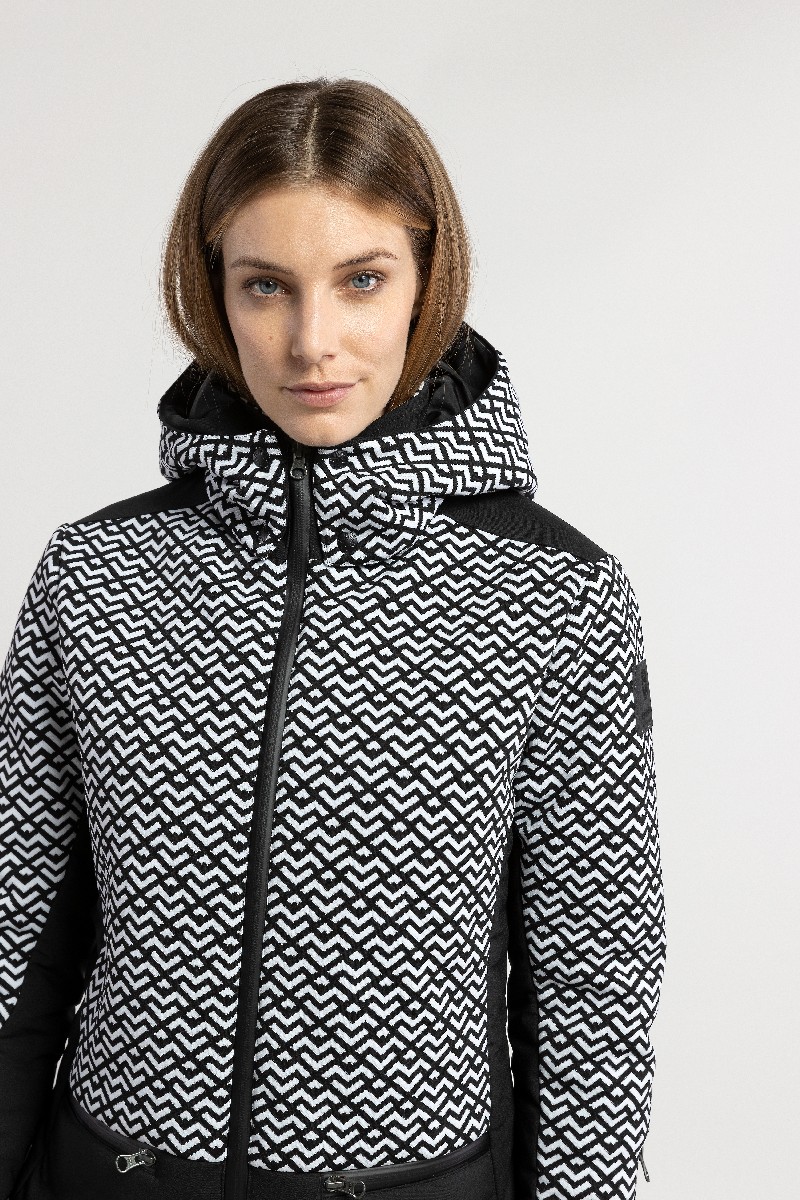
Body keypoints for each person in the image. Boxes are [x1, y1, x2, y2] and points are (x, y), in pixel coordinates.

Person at [0, 78, 667, 1200]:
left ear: (425, 283)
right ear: (213, 290)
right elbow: (15, 935)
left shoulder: (557, 594)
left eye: (361, 280)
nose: (313, 342)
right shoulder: (93, 574)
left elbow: (592, 987)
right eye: (265, 285)